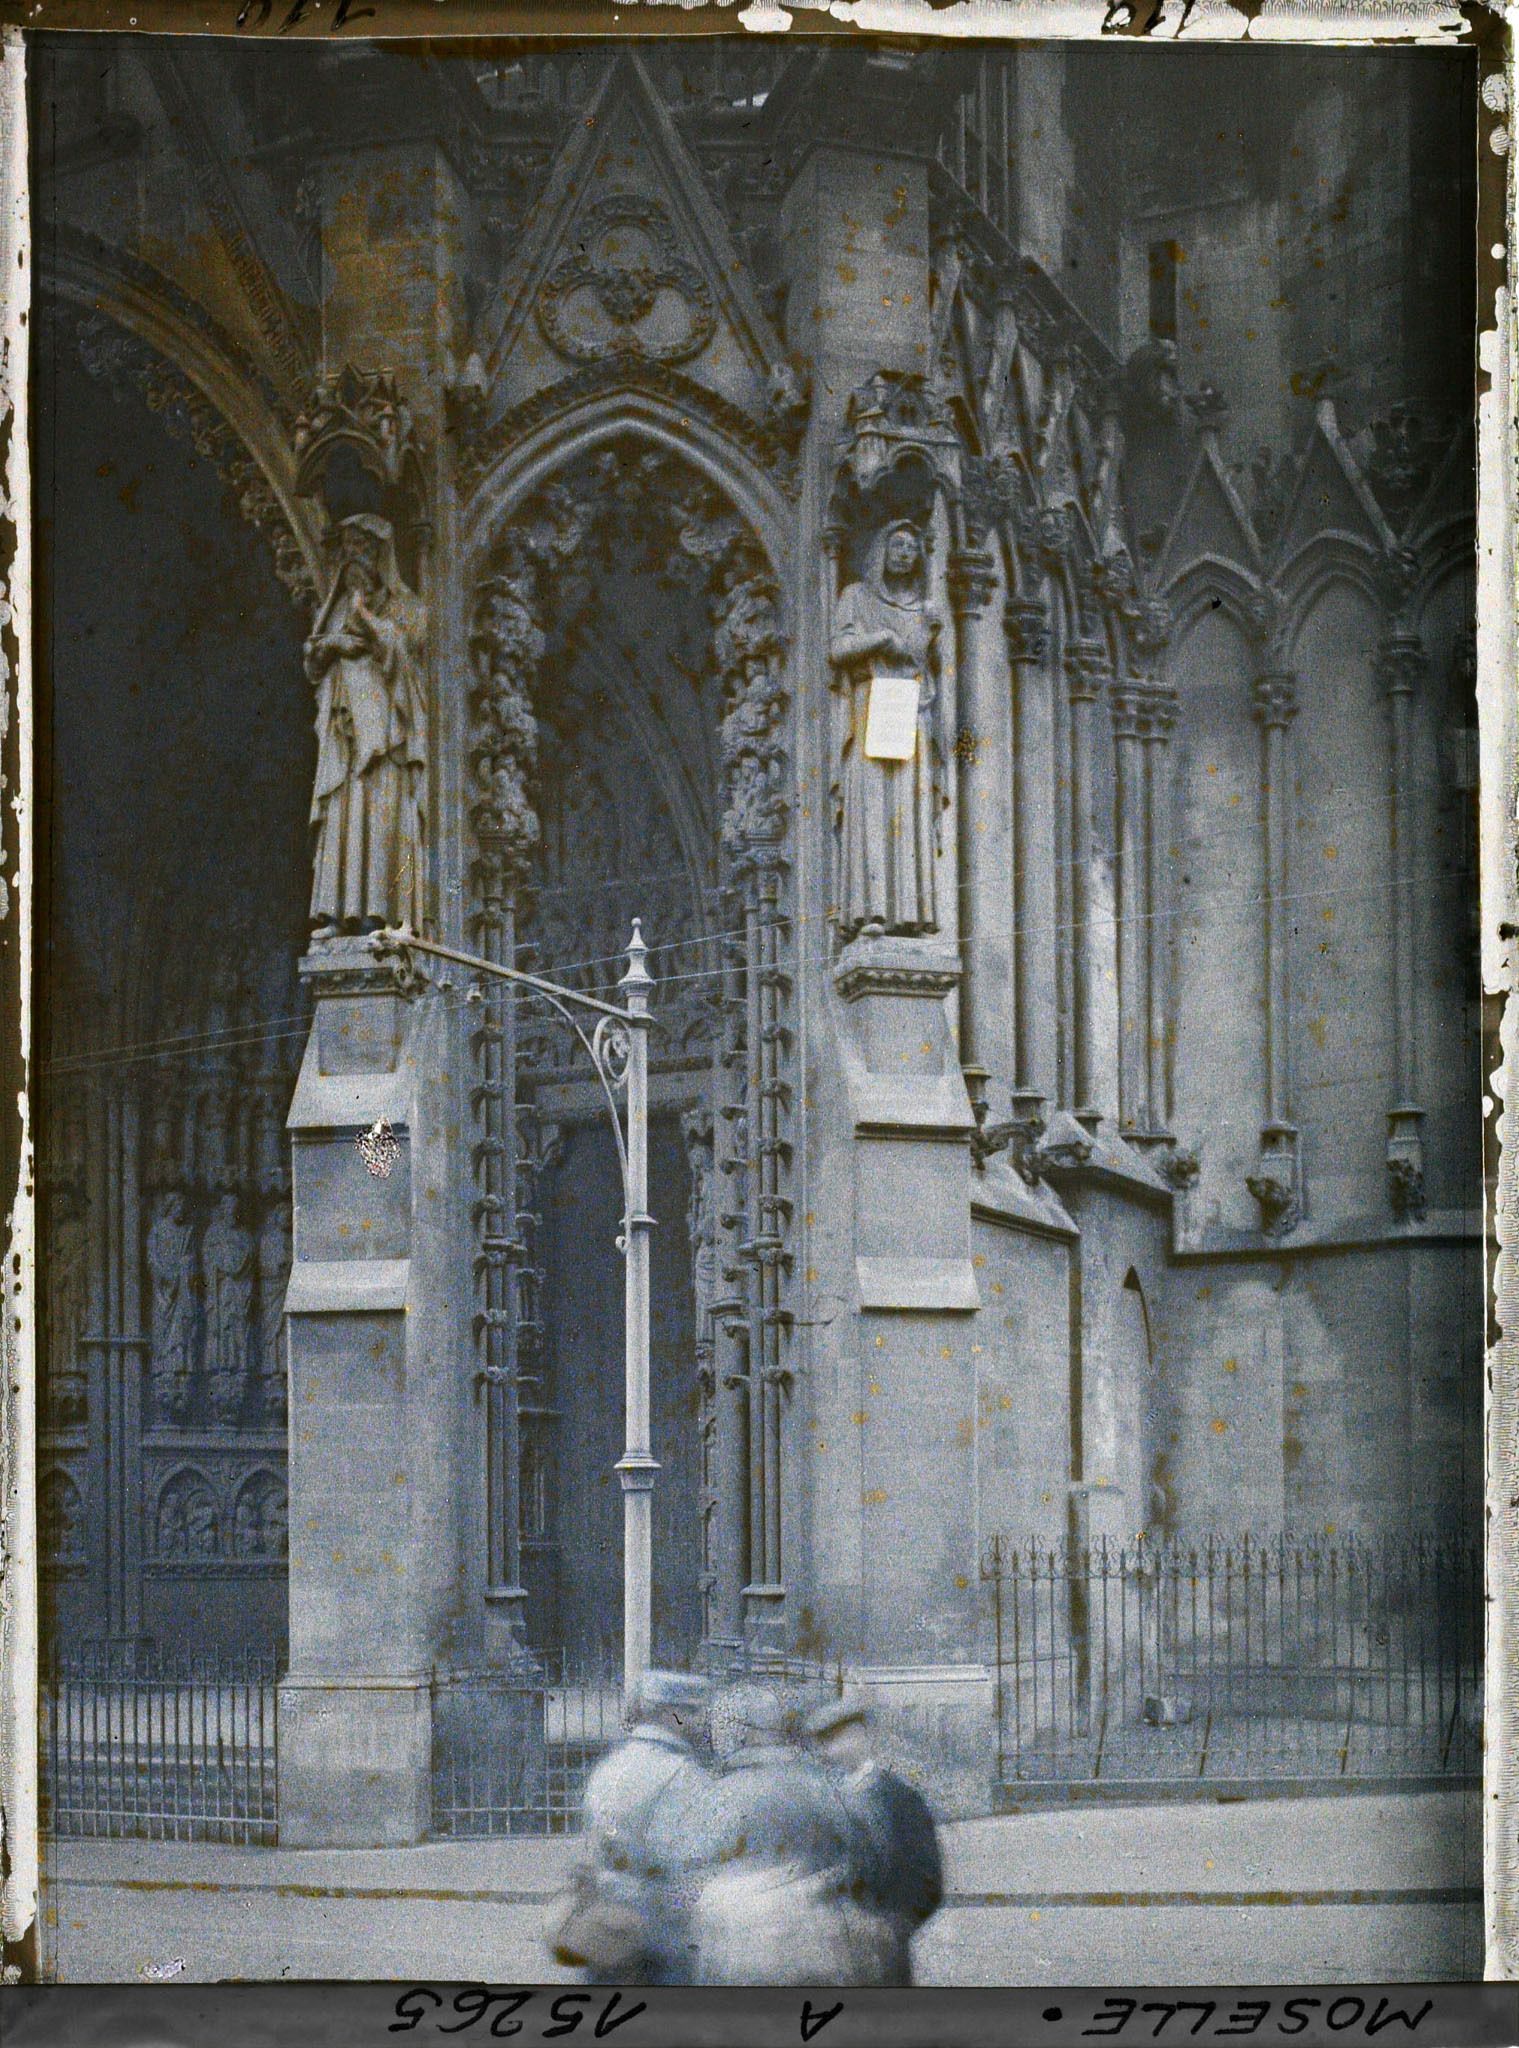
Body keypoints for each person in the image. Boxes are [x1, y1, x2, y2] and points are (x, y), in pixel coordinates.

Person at [687, 1689, 899, 1986]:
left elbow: (692, 1881)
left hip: (741, 1959)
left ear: (741, 1731)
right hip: (820, 1955)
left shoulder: (715, 1797)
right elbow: (871, 1861)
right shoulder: (824, 1784)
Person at [547, 1669, 711, 1985]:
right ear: (668, 1713)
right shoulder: (683, 1775)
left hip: (603, 1928)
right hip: (657, 1939)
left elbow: (591, 1845)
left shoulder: (610, 1767)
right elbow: (685, 1865)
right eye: (690, 1711)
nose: (700, 1721)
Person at [829, 516, 947, 942]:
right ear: (881, 550)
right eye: (897, 544)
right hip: (869, 707)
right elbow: (838, 648)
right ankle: (869, 910)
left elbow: (924, 664)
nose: (904, 553)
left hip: (909, 709)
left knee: (907, 806)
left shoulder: (924, 608)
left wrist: (931, 632)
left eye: (912, 548)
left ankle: (912, 914)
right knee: (873, 807)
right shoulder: (856, 596)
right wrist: (878, 639)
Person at [802, 1695, 944, 1986]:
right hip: (824, 1955)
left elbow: (928, 1882)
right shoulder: (814, 1802)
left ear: (864, 1736)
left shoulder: (900, 1800)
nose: (835, 1750)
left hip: (881, 1952)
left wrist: (891, 1928)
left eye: (845, 1737)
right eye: (828, 1742)